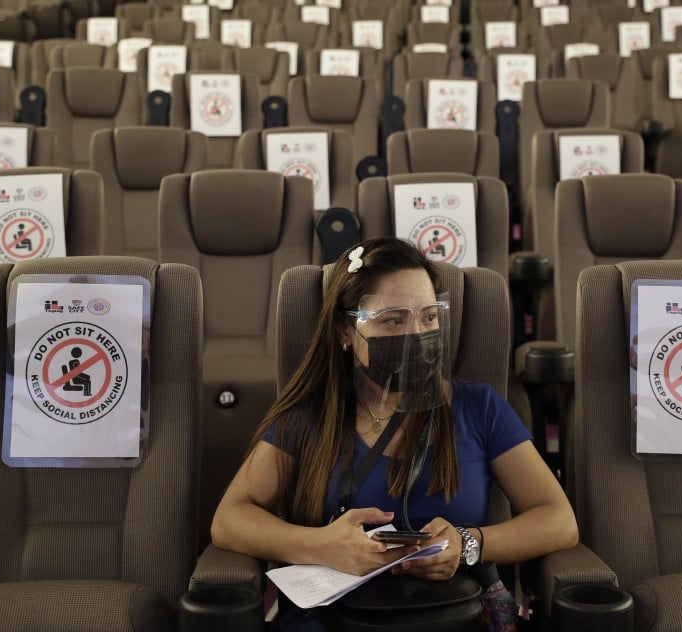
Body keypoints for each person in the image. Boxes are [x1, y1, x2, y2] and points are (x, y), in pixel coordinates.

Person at [211, 237, 578, 630]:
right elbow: (230, 519)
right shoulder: (311, 416)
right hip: (333, 619)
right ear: (346, 332)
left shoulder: (478, 407)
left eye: (428, 317)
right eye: (393, 319)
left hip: (450, 615)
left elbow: (558, 520)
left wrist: (468, 543)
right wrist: (321, 546)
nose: (416, 333)